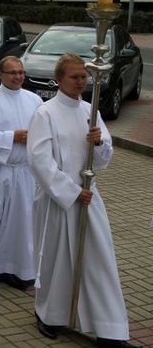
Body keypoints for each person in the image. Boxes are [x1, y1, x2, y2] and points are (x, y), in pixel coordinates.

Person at [28, 54, 139, 348]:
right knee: (56, 260)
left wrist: (99, 142)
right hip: (58, 199)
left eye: (84, 76)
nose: (81, 81)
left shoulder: (90, 110)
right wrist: (72, 191)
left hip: (89, 197)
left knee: (99, 259)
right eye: (75, 76)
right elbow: (39, 161)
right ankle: (48, 315)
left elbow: (103, 159)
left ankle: (109, 329)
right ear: (60, 79)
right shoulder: (45, 113)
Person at [0, 56, 42, 290]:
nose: (17, 77)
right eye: (12, 73)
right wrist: (11, 136)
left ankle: (16, 267)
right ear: (0, 75)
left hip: (24, 171)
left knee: (21, 223)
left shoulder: (34, 99)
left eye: (21, 72)